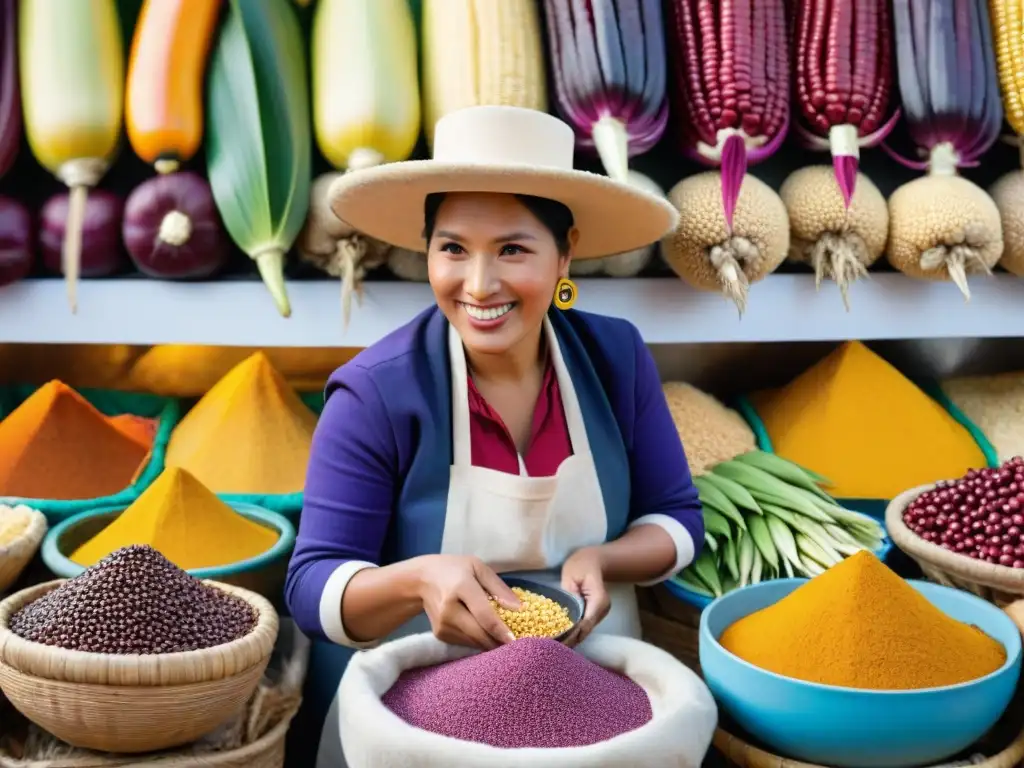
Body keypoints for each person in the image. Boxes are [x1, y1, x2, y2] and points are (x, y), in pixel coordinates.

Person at [284, 105, 705, 767]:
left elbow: (676, 517)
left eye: (512, 249)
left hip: (599, 701)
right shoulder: (376, 393)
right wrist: (416, 581)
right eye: (452, 249)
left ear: (563, 255)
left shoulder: (615, 357)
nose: (478, 285)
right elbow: (312, 589)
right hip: (423, 717)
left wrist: (605, 560)